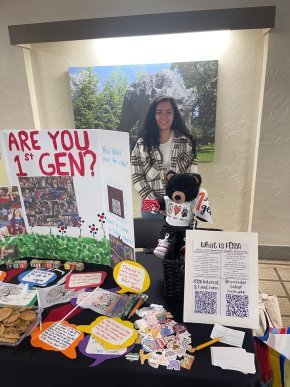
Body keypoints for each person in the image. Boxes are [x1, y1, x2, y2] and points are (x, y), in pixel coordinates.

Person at [131, 95, 198, 222]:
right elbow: (137, 176)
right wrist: (155, 202)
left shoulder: (186, 143)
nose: (164, 116)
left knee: (178, 241)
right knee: (151, 240)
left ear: (174, 115)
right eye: (159, 112)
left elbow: (192, 176)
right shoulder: (141, 144)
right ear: (153, 116)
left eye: (168, 112)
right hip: (150, 201)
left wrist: (182, 200)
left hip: (180, 199)